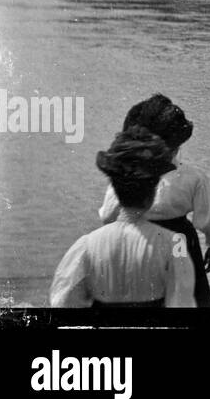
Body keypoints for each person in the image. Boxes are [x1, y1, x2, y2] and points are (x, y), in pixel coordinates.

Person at [99, 94, 210, 308]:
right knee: (186, 294)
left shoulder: (127, 173)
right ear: (175, 147)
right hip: (179, 242)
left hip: (136, 238)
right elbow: (207, 220)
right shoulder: (193, 176)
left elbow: (106, 215)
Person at [51, 128, 196, 308]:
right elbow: (182, 301)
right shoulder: (176, 244)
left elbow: (63, 301)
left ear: (115, 192)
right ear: (152, 194)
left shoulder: (86, 245)